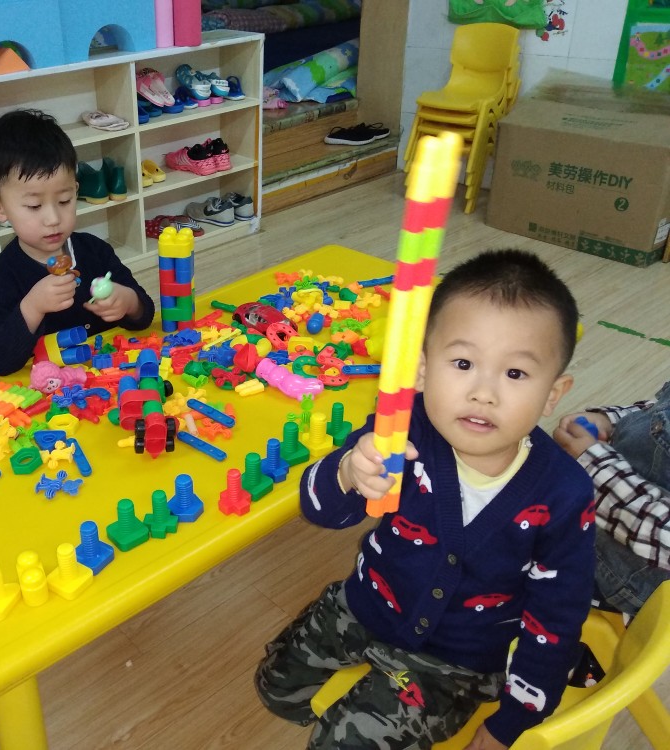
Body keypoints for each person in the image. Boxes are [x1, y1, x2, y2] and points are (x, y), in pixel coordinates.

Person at [255, 249, 596, 750]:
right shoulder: (400, 426)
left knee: (342, 742)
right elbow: (318, 509)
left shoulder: (564, 495)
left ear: (553, 394)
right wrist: (349, 471)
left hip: (454, 662)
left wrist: (509, 723)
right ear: (420, 369)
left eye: (515, 374)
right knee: (274, 688)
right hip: (367, 603)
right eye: (463, 363)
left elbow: (556, 620)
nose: (484, 393)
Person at [0, 109, 155, 375]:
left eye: (64, 200)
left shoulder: (95, 251)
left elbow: (145, 315)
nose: (53, 219)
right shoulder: (3, 275)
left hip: (110, 376)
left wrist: (128, 302)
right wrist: (32, 307)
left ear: (76, 191)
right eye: (34, 206)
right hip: (51, 390)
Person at [553, 381, 670, 615]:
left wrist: (594, 465)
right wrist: (611, 421)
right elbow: (659, 410)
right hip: (612, 482)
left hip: (634, 567)